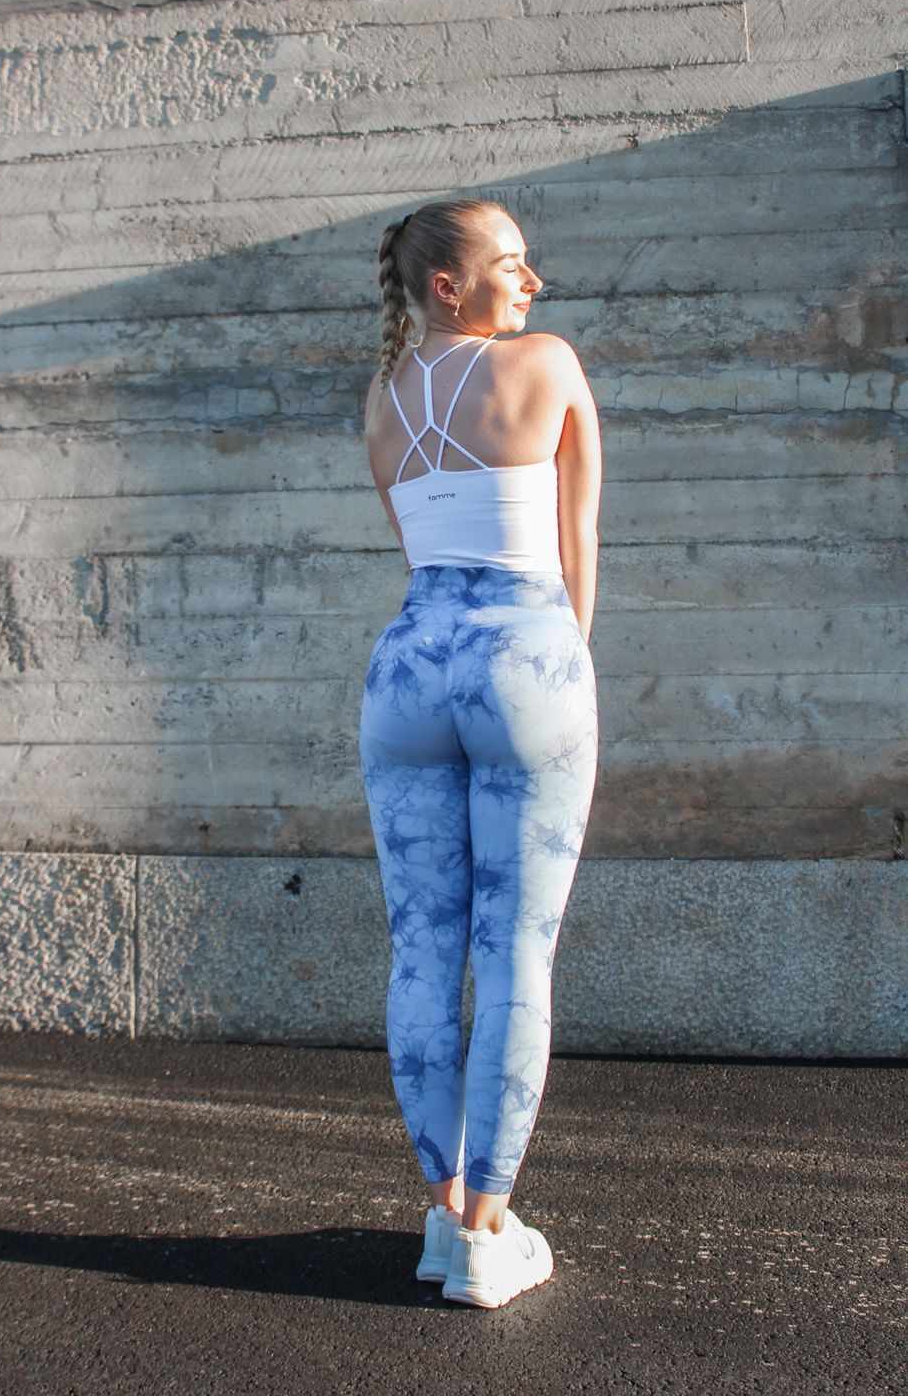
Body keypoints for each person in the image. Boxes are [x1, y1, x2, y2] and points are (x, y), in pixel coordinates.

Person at [358, 197, 601, 1309]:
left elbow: (417, 544)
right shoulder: (545, 363)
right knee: (514, 953)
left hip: (407, 669)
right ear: (448, 287)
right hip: (523, 655)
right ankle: (493, 1231)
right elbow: (573, 536)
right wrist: (563, 671)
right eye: (511, 264)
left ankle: (445, 1216)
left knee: (421, 948)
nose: (533, 281)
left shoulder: (382, 395)